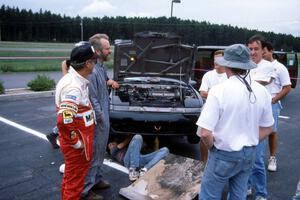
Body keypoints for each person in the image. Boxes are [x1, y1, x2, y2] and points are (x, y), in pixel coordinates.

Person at [196, 44, 274, 200]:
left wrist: (213, 147)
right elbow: (268, 128)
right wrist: (249, 140)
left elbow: (204, 132)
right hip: (248, 153)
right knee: (239, 195)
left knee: (210, 195)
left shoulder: (219, 90)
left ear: (227, 66)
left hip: (223, 152)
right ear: (246, 66)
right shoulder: (262, 91)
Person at [55, 43, 100, 200]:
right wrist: (76, 142)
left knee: (71, 180)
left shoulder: (76, 80)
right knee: (74, 184)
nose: (95, 64)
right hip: (77, 146)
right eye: (94, 61)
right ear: (87, 64)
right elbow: (64, 120)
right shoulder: (73, 86)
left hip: (80, 143)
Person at [82, 34, 120, 196]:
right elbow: (93, 99)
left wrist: (110, 82)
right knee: (93, 154)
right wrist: (102, 119)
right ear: (97, 51)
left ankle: (96, 180)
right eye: (106, 48)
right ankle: (85, 190)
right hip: (98, 121)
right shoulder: (92, 71)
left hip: (103, 119)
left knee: (100, 153)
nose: (109, 51)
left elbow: (105, 80)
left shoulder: (100, 68)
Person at [247, 35, 276, 200]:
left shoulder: (267, 66)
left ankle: (261, 194)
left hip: (259, 119)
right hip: (245, 117)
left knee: (257, 160)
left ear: (262, 50)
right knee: (244, 158)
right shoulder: (245, 66)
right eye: (250, 49)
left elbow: (257, 84)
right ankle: (246, 186)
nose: (252, 52)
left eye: (256, 49)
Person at [263, 41, 292, 172]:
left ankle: (272, 157)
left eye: (264, 51)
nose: (262, 54)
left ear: (271, 51)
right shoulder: (258, 66)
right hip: (257, 104)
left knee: (272, 131)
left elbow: (287, 87)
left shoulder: (280, 68)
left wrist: (274, 100)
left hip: (271, 103)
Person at [198, 50, 227, 163]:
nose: (216, 62)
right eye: (215, 60)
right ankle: (204, 163)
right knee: (203, 137)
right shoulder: (208, 75)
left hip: (224, 111)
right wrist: (219, 95)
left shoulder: (229, 76)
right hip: (208, 109)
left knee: (221, 138)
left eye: (219, 59)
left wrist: (211, 92)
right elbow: (202, 93)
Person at [46, 60, 71, 149]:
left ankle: (53, 134)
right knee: (66, 122)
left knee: (65, 122)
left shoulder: (67, 78)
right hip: (65, 104)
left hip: (63, 103)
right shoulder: (68, 79)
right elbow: (64, 64)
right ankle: (56, 136)